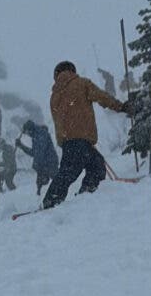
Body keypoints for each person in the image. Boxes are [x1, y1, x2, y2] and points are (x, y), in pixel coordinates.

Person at [40, 60, 130, 209]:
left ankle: (85, 197)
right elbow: (102, 97)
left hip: (69, 141)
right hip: (81, 139)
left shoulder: (54, 96)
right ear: (72, 71)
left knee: (96, 165)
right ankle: (51, 201)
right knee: (70, 171)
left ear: (57, 75)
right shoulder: (81, 83)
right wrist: (121, 107)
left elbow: (61, 119)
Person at [17, 119, 59, 194]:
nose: (27, 134)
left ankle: (61, 193)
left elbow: (39, 152)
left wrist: (37, 165)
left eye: (26, 132)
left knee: (56, 179)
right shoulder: (35, 136)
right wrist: (21, 146)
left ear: (29, 130)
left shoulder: (41, 134)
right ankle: (40, 195)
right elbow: (34, 153)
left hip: (49, 162)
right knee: (40, 182)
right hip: (44, 163)